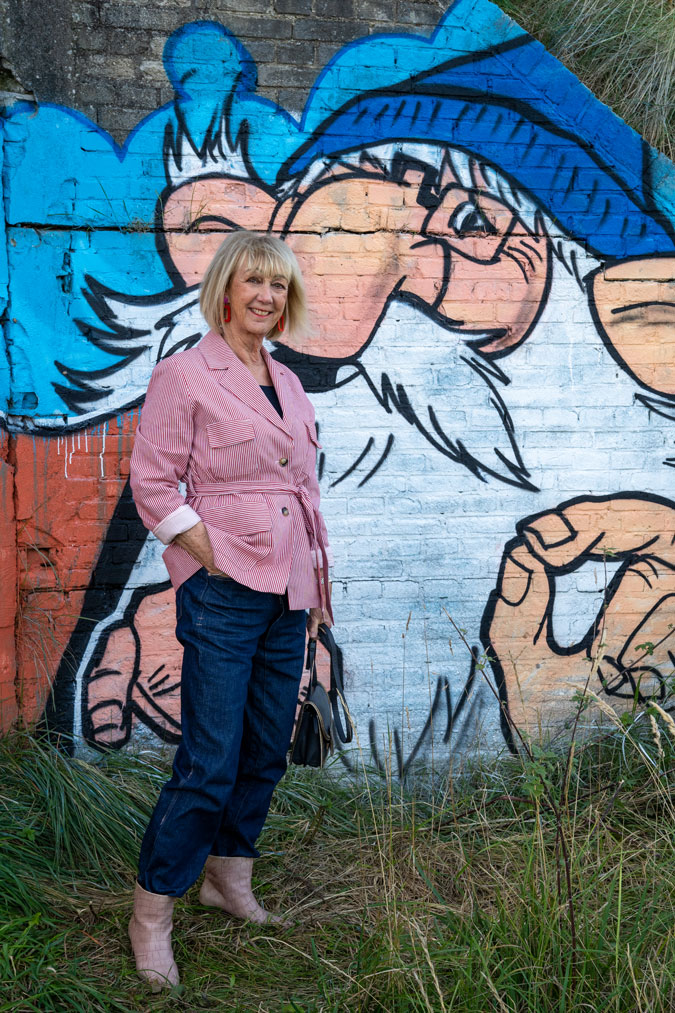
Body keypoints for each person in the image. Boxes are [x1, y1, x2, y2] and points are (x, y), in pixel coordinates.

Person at [127, 230, 333, 990]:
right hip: (223, 590)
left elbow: (300, 494)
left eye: (278, 285)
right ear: (225, 288)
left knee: (264, 748)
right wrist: (211, 557)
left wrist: (315, 589)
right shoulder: (186, 374)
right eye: (253, 281)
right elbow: (153, 485)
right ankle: (152, 912)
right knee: (207, 762)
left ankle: (228, 875)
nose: (267, 297)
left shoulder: (288, 380)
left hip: (289, 591)